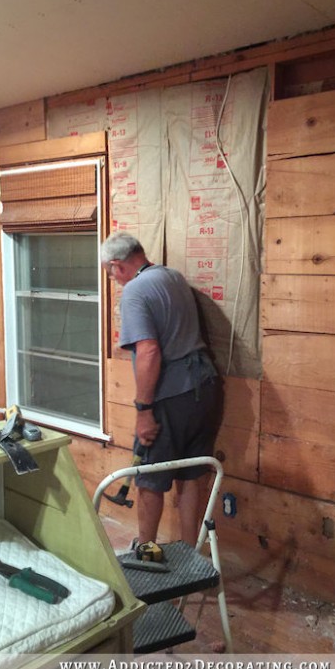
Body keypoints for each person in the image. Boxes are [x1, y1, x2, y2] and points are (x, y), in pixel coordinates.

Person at [100, 232, 222, 547]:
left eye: (110, 275)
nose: (114, 282)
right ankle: (190, 553)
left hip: (172, 397)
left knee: (150, 479)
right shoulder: (172, 277)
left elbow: (150, 352)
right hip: (205, 389)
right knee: (192, 474)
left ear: (118, 266)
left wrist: (144, 411)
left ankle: (145, 550)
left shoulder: (135, 291)